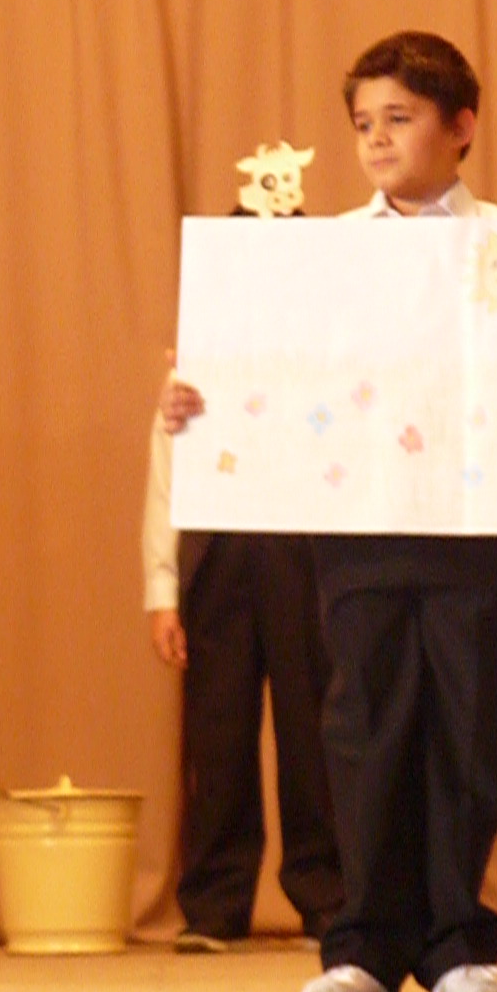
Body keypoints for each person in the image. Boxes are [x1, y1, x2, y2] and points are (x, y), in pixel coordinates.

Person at [160, 31, 497, 992]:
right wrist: (196, 403)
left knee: (469, 729)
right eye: (362, 123)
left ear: (460, 127)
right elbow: (269, 378)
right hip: (356, 529)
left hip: (476, 529)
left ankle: (457, 942)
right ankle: (364, 945)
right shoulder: (323, 256)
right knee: (361, 732)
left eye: (399, 118)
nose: (376, 139)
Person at [143, 145, 341, 951]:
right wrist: (162, 589)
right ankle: (215, 903)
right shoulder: (197, 362)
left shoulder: (333, 360)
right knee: (218, 734)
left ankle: (327, 897)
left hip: (307, 552)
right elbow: (164, 474)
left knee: (313, 731)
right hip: (218, 552)